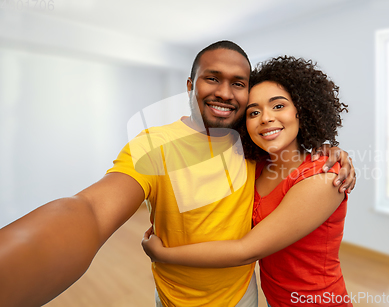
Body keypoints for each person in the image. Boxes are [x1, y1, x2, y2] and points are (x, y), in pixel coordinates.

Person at [0, 41, 356, 307]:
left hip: (247, 296)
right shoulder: (155, 145)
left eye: (238, 83)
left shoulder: (261, 155)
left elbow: (250, 246)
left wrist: (331, 150)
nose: (223, 92)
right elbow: (90, 211)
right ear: (190, 85)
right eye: (212, 79)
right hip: (173, 298)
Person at [142, 56, 352, 306]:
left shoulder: (324, 178)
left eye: (278, 106)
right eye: (254, 112)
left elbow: (246, 250)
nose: (265, 118)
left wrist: (163, 254)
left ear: (301, 110)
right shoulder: (256, 167)